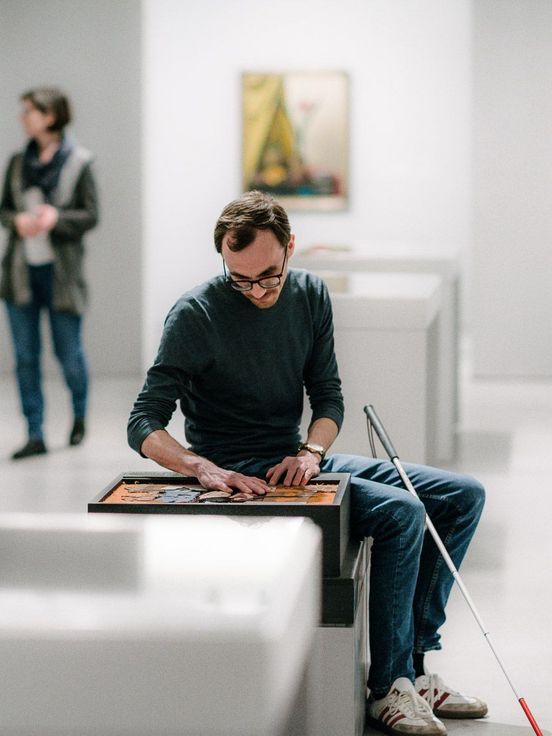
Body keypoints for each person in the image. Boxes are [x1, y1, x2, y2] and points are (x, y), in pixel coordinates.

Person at [128, 190, 487, 736]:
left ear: (290, 248)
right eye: (239, 278)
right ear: (224, 260)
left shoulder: (311, 294)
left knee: (461, 496)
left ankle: (413, 668)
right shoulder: (195, 313)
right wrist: (202, 467)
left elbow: (329, 396)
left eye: (268, 276)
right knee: (402, 514)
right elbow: (143, 423)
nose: (255, 291)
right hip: (240, 476)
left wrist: (310, 452)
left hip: (296, 458)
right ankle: (388, 686)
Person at [0, 87, 99, 459]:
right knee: (26, 357)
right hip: (20, 275)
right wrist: (17, 220)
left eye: (29, 111)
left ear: (51, 116)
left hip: (62, 278)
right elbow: (4, 210)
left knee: (68, 354)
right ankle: (35, 433)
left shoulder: (79, 162)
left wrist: (57, 218)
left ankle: (78, 417)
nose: (22, 118)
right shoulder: (16, 162)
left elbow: (91, 215)